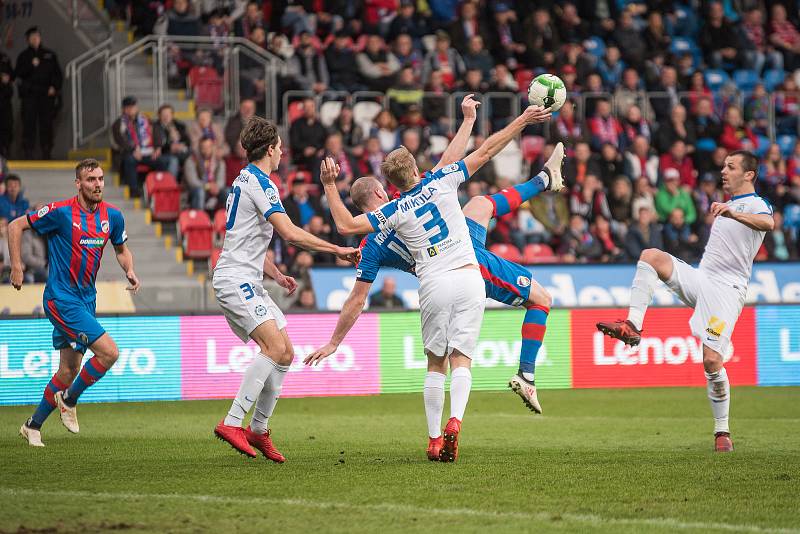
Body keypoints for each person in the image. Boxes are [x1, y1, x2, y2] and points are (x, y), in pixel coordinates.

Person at [314, 98, 553, 463]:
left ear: (389, 186)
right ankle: (458, 419)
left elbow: (349, 243)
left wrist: (330, 185)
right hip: (469, 272)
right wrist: (495, 118)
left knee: (435, 363)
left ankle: (434, 438)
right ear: (393, 183)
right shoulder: (439, 179)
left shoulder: (383, 224)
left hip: (434, 283)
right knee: (467, 355)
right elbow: (482, 152)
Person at [597, 151, 775, 453]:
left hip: (727, 292)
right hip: (702, 279)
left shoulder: (757, 205)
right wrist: (728, 211)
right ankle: (633, 326)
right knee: (651, 257)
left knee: (711, 361)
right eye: (723, 165)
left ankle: (722, 432)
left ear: (749, 175)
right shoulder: (727, 204)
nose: (724, 171)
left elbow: (768, 224)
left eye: (731, 167)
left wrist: (734, 214)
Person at [211, 116, 359, 462]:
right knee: (273, 347)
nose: (283, 152)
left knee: (286, 352)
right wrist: (337, 249)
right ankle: (233, 422)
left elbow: (244, 239)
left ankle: (259, 430)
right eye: (279, 147)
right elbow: (290, 233)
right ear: (270, 149)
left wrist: (275, 273)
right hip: (236, 279)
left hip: (246, 275)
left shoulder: (243, 180)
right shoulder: (262, 184)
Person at [13, 159, 140, 446]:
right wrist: (17, 266)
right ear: (78, 184)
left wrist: (129, 269)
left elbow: (121, 249)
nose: (97, 185)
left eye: (100, 179)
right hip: (61, 298)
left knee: (68, 370)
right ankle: (68, 400)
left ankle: (32, 425)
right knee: (109, 353)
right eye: (90, 180)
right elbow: (15, 226)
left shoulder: (113, 216)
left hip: (86, 301)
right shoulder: (60, 212)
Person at [15, 27, 62, 160]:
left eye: (37, 36)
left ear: (40, 38)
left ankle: (46, 150)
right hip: (30, 95)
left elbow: (57, 74)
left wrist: (54, 87)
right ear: (28, 40)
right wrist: (31, 65)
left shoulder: (49, 55)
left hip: (46, 96)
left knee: (46, 124)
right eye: (32, 37)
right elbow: (18, 75)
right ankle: (28, 150)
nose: (35, 39)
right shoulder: (23, 56)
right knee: (28, 123)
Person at [111, 96, 170, 197]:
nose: (131, 109)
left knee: (163, 161)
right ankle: (134, 190)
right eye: (128, 107)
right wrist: (133, 149)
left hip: (147, 152)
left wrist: (158, 147)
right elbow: (120, 140)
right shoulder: (119, 123)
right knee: (130, 160)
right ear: (124, 109)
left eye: (133, 106)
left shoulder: (145, 119)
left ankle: (159, 189)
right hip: (129, 153)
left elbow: (157, 132)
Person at [185, 137, 227, 211]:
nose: (206, 150)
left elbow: (221, 181)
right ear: (200, 148)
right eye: (204, 147)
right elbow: (193, 182)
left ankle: (225, 219)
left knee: (228, 192)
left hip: (214, 189)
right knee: (200, 192)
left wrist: (216, 187)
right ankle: (200, 219)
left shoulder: (219, 161)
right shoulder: (192, 160)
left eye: (209, 147)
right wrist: (207, 186)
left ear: (213, 147)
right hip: (196, 191)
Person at [152, 104, 191, 178]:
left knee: (193, 156)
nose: (166, 117)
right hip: (165, 153)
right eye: (163, 114)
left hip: (181, 151)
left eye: (168, 114)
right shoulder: (156, 127)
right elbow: (158, 145)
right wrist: (170, 147)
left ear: (172, 115)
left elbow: (188, 141)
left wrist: (181, 145)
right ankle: (170, 185)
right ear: (159, 116)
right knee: (174, 160)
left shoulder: (180, 125)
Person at [0, 51, 13, 157]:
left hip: (4, 98)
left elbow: (12, 75)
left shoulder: (5, 58)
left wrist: (6, 80)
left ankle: (5, 150)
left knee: (6, 125)